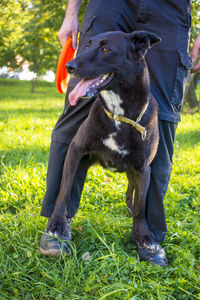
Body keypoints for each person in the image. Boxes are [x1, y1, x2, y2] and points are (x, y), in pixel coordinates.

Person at [40, 0, 200, 266]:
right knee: (79, 102)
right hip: (109, 4)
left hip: (169, 8)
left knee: (164, 118)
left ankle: (146, 231)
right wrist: (71, 12)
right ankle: (58, 220)